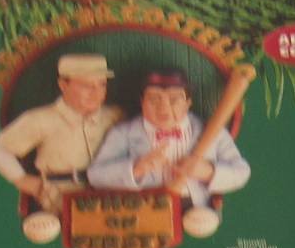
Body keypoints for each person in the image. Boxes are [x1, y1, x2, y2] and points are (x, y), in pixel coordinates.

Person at [87, 68, 250, 236]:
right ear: (142, 102)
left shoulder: (212, 131)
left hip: (195, 209)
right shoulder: (123, 133)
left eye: (174, 100)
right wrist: (136, 169)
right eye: (154, 99)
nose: (163, 108)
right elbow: (95, 176)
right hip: (143, 210)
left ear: (188, 103)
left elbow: (242, 172)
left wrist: (208, 172)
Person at [0, 53, 123, 245]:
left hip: (110, 200)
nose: (96, 92)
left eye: (102, 85)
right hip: (59, 199)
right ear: (63, 85)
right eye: (86, 85)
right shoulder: (41, 119)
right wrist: (24, 181)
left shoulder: (114, 116)